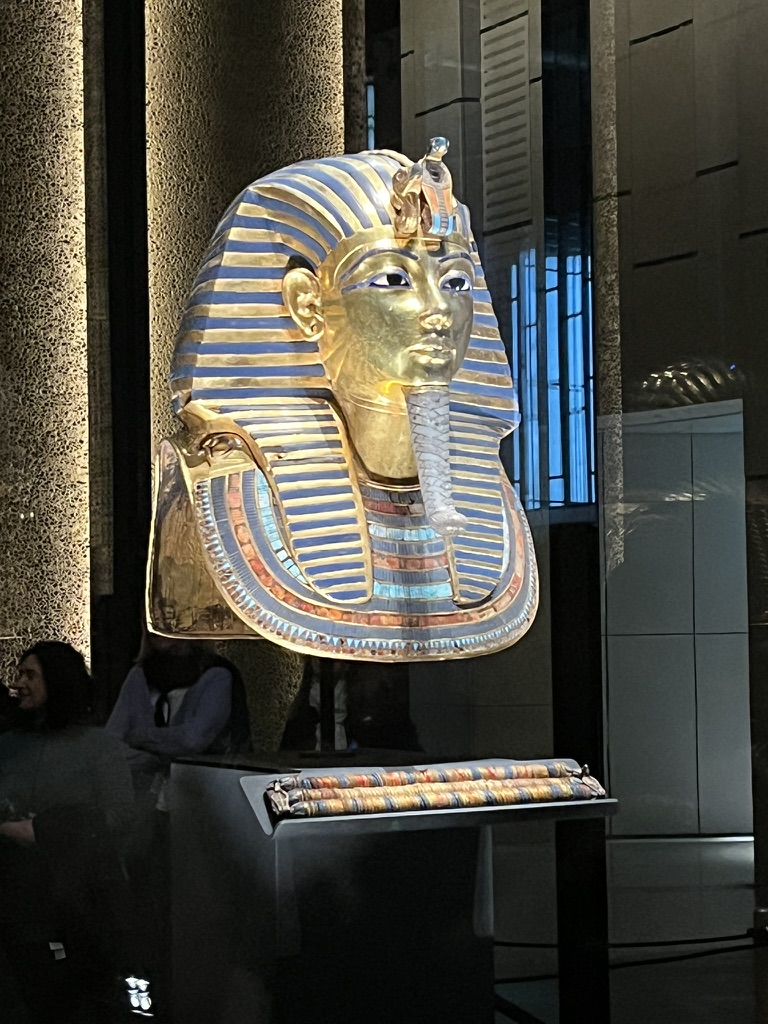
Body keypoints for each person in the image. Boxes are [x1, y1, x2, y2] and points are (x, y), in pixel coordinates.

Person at [0, 641, 136, 1022]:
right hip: (19, 904)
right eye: (18, 674)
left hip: (83, 903)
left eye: (30, 675)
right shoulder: (7, 746)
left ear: (57, 682)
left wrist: (48, 830)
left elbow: (120, 815)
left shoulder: (97, 748)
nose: (18, 683)